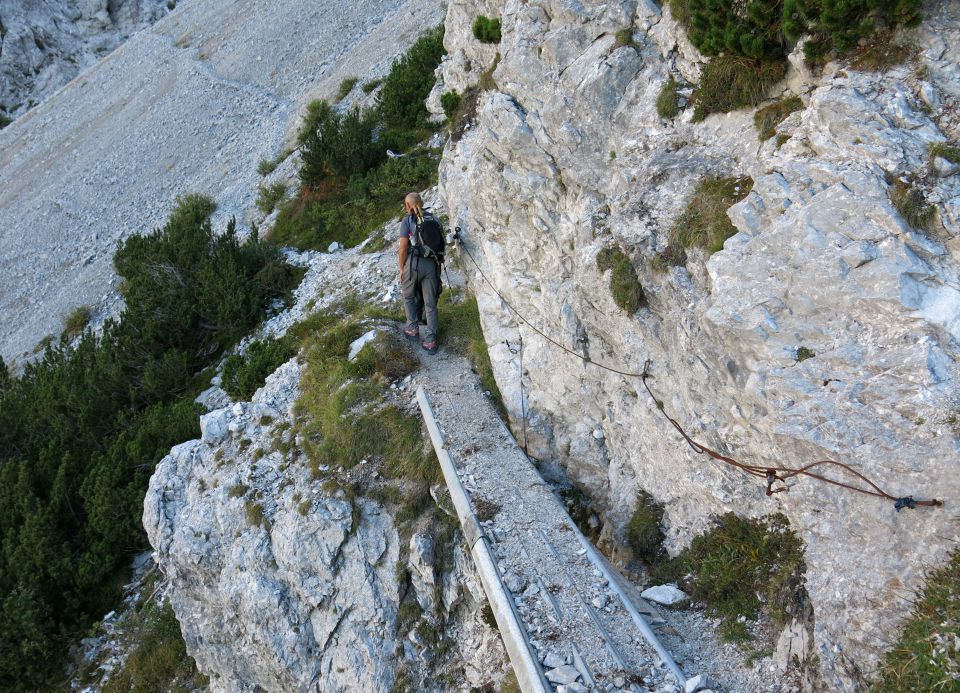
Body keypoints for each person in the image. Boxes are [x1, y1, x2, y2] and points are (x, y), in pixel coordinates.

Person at [398, 192, 440, 354]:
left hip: (413, 264)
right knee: (430, 303)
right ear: (422, 203)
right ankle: (431, 340)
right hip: (431, 264)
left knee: (408, 295)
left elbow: (403, 249)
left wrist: (402, 269)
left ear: (407, 206)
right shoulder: (434, 219)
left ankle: (412, 328)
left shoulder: (407, 221)